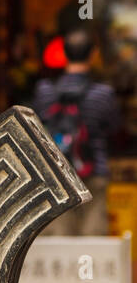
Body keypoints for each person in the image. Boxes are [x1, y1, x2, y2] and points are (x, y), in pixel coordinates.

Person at [32, 28, 120, 236]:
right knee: (92, 244)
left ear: (63, 53)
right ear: (93, 54)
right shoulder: (103, 94)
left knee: (58, 243)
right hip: (93, 173)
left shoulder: (44, 90)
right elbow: (115, 128)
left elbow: (35, 128)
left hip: (56, 175)